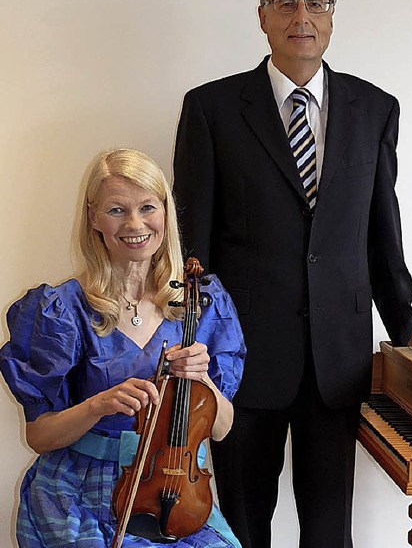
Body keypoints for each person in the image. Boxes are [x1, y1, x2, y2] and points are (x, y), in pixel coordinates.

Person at [172, 0, 412, 548]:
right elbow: (192, 244)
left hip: (340, 358)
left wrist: (408, 335)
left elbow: (382, 232)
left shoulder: (375, 108)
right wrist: (195, 344)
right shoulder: (211, 109)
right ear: (262, 16)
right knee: (241, 519)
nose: (301, 17)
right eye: (285, 3)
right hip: (243, 356)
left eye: (316, 4)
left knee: (330, 526)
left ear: (332, 18)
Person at [0, 148, 246, 547]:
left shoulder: (203, 303)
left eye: (148, 207)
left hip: (174, 491)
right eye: (116, 210)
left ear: (165, 213)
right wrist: (98, 404)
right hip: (77, 492)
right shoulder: (62, 310)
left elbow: (221, 429)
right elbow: (39, 437)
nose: (135, 224)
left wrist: (204, 381)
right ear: (94, 217)